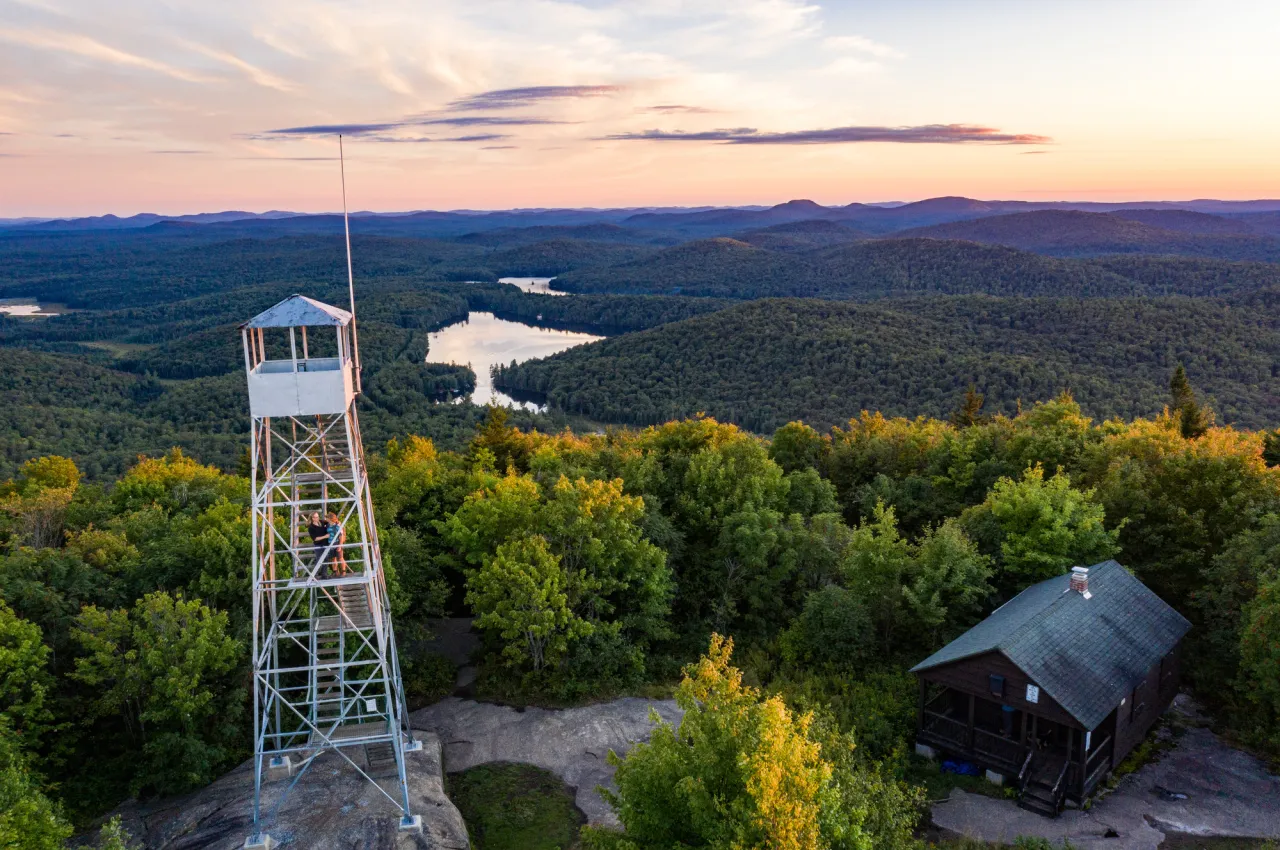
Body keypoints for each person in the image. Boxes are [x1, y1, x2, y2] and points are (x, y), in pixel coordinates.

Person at [306, 511, 330, 578]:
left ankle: (324, 574)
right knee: (318, 560)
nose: (317, 518)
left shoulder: (321, 522)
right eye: (315, 517)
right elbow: (315, 539)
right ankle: (315, 575)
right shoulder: (311, 527)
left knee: (326, 559)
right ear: (312, 518)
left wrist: (337, 523)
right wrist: (325, 536)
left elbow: (330, 521)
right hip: (318, 545)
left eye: (317, 517)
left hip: (326, 543)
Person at [326, 510, 350, 576]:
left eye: (327, 518)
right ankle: (335, 571)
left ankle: (343, 571)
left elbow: (341, 536)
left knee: (340, 558)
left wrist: (340, 545)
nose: (326, 519)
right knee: (333, 558)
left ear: (330, 519)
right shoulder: (328, 525)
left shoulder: (337, 526)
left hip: (337, 543)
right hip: (330, 543)